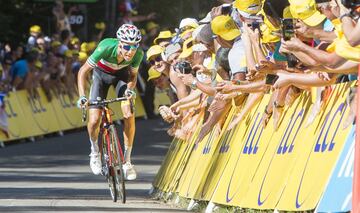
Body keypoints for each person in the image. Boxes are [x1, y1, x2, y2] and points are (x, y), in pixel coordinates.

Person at [77, 24, 143, 180]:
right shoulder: (106, 47)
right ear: (119, 43)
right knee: (94, 120)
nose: (130, 51)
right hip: (100, 77)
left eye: (134, 46)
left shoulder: (137, 54)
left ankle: (127, 161)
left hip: (121, 78)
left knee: (128, 113)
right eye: (127, 46)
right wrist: (82, 96)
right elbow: (82, 71)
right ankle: (94, 152)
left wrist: (129, 89)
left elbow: (132, 76)